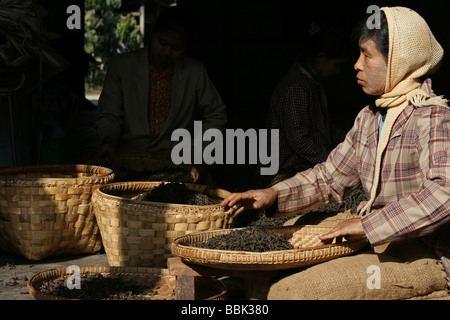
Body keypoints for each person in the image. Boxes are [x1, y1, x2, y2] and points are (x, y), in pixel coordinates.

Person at [222, 7, 450, 289]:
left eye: (366, 55)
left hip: (424, 251)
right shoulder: (369, 117)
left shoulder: (433, 117)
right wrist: (273, 194)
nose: (357, 64)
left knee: (292, 292)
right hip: (384, 242)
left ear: (398, 62)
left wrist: (369, 227)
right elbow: (330, 176)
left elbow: (445, 192)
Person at [96, 7, 227, 164]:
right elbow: (110, 115)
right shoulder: (122, 66)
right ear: (153, 33)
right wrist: (108, 140)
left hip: (176, 158)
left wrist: (198, 148)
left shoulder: (195, 71)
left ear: (185, 48)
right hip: (129, 156)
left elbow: (216, 114)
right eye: (162, 43)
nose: (166, 52)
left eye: (176, 49)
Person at [264, 20, 349, 175]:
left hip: (307, 163)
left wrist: (350, 143)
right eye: (336, 65)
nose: (337, 71)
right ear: (321, 58)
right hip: (288, 168)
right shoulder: (297, 87)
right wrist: (331, 161)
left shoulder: (313, 82)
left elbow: (324, 126)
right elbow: (299, 139)